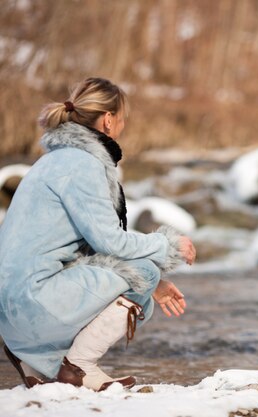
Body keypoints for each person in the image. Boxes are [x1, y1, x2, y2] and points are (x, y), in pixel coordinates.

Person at [0, 77, 196, 391]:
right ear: (108, 120)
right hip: (32, 306)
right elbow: (109, 241)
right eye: (122, 119)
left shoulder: (49, 161)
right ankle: (78, 367)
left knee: (145, 276)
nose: (122, 126)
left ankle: (35, 359)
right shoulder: (83, 165)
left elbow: (88, 248)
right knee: (143, 271)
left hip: (10, 311)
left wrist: (156, 283)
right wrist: (167, 246)